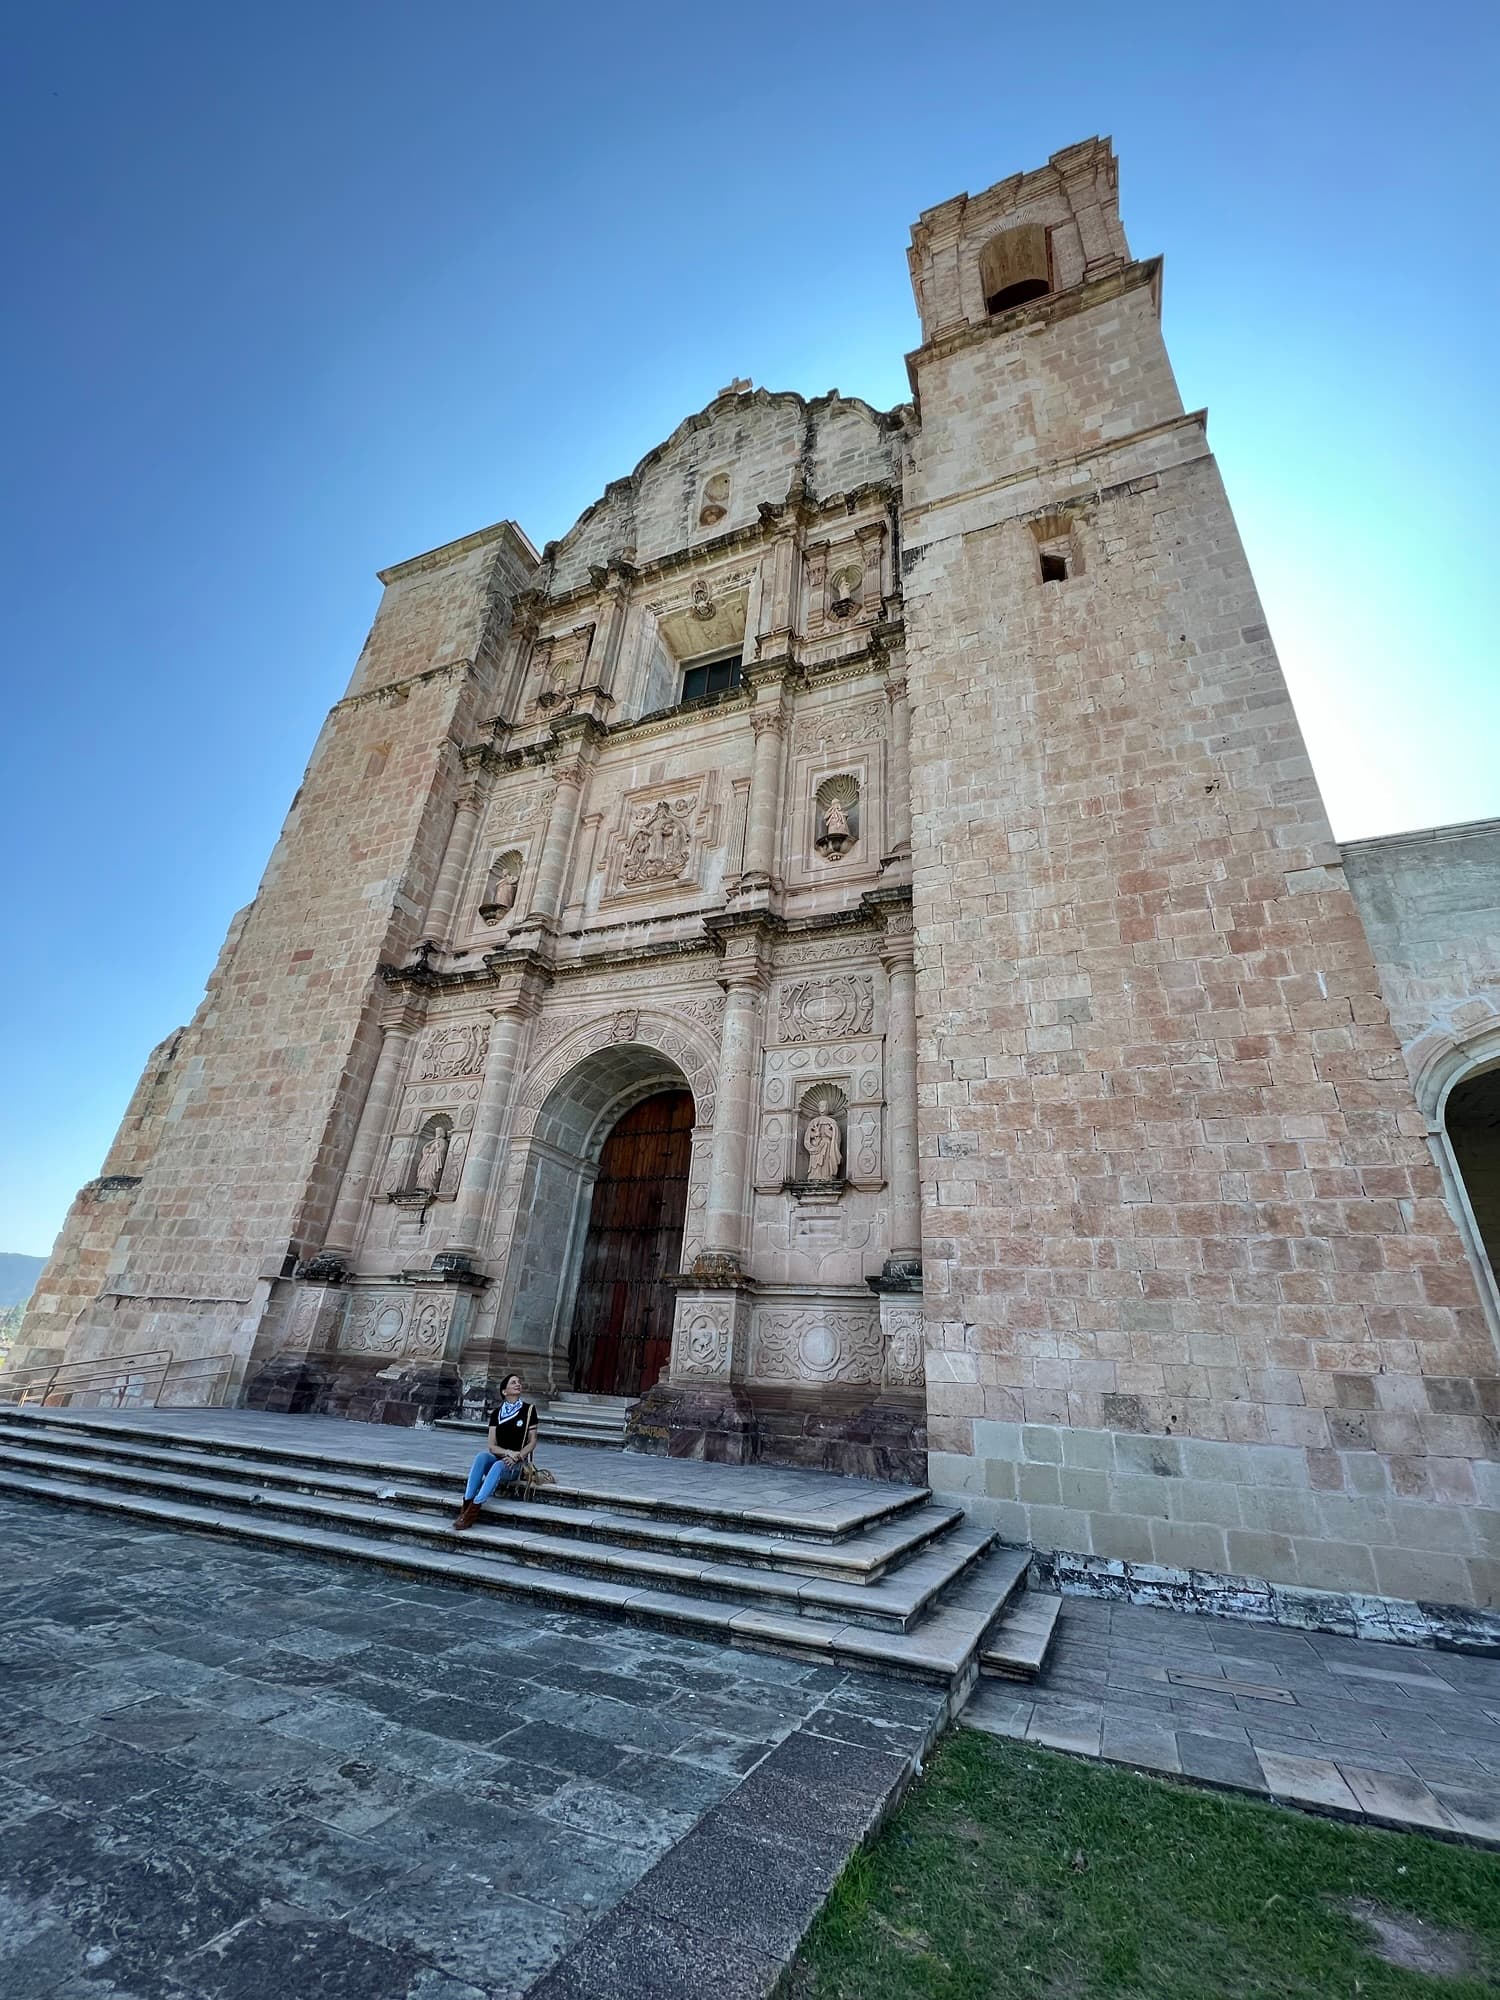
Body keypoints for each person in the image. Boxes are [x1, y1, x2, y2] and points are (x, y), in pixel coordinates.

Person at [452, 1373, 537, 1529]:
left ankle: (474, 1508)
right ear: (504, 1391)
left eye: (519, 1382)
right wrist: (507, 1453)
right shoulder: (497, 1413)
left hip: (516, 1464)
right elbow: (492, 1446)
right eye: (513, 1382)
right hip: (502, 1457)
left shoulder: (529, 1410)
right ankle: (467, 1502)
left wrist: (517, 1456)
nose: (517, 1384)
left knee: (498, 1465)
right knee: (482, 1457)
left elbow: (532, 1442)